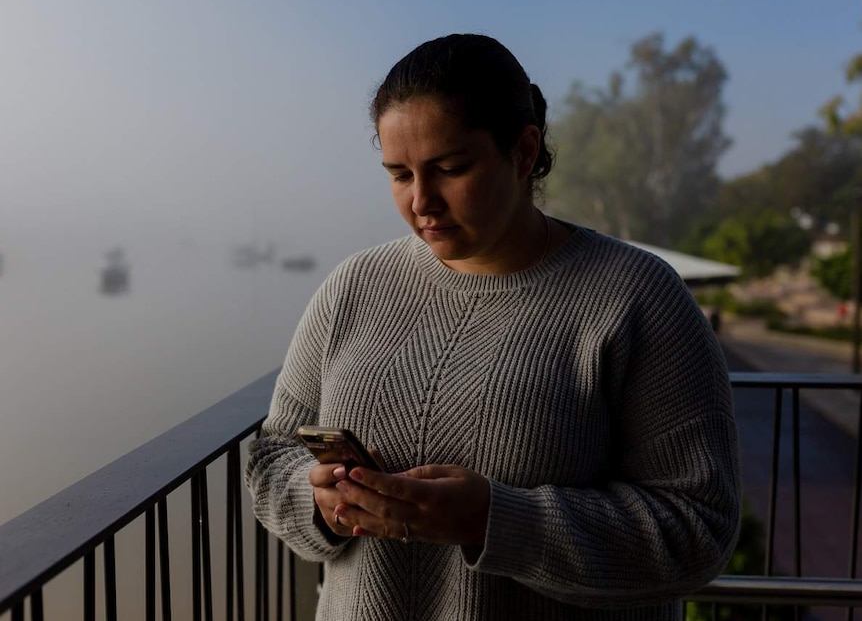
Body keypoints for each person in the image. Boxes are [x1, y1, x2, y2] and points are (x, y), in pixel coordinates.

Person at [245, 33, 741, 620]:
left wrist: (494, 521)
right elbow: (272, 456)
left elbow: (698, 528)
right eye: (399, 174)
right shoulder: (354, 285)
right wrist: (320, 500)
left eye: (450, 168)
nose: (422, 202)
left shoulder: (636, 296)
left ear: (524, 151)